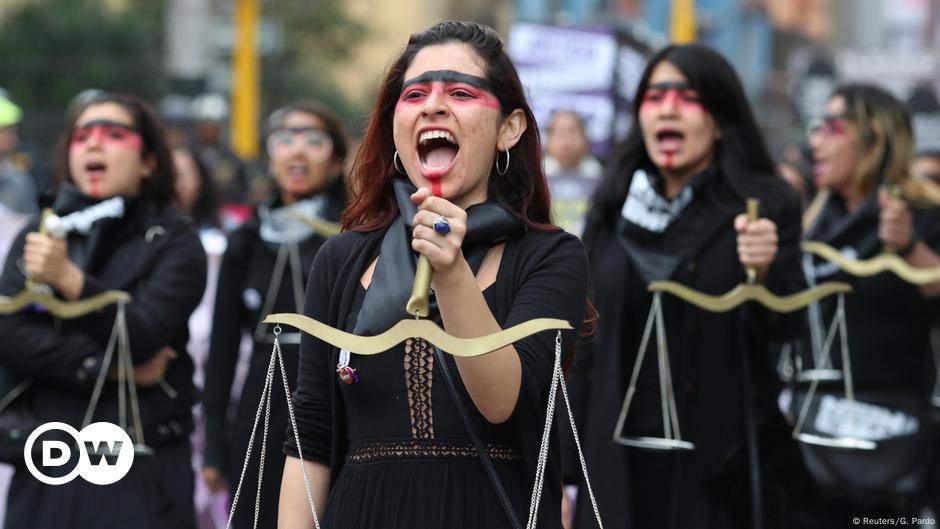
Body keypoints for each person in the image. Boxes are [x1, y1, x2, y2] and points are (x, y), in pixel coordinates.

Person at [278, 21, 591, 529]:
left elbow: (503, 404)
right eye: (415, 93)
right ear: (394, 126)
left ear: (509, 128)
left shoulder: (551, 256)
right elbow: (310, 432)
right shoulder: (341, 259)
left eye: (461, 92)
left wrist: (451, 273)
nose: (433, 106)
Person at [567, 44, 807, 529]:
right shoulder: (612, 210)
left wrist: (762, 272)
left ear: (719, 120)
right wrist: (567, 476)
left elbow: (788, 327)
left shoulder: (763, 207)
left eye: (686, 96)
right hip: (618, 460)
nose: (668, 108)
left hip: (719, 469)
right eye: (655, 97)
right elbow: (585, 347)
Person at [0, 92, 206, 528]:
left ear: (149, 161)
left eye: (114, 135)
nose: (94, 144)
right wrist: (108, 369)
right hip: (49, 458)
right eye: (82, 136)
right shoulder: (42, 233)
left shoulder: (174, 239)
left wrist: (70, 281)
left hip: (140, 459)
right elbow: (10, 338)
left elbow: (144, 336)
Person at [200, 101, 348, 529]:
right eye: (285, 140)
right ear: (271, 158)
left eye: (313, 141)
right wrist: (213, 441)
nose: (297, 152)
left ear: (336, 160)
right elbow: (224, 346)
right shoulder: (246, 239)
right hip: (262, 396)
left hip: (336, 392)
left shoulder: (351, 236)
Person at [800, 83, 940, 524]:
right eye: (816, 127)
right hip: (814, 441)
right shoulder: (811, 221)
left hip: (897, 440)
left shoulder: (925, 211)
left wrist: (911, 247)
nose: (815, 141)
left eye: (833, 128)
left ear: (874, 139)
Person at [543, 109, 603, 236]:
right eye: (559, 133)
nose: (566, 141)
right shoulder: (538, 175)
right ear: (548, 140)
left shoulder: (598, 175)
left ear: (585, 138)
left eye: (572, 132)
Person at [0, 92, 38, 216]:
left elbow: (29, 225)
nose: (11, 136)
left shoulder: (19, 180)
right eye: (4, 130)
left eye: (11, 130)